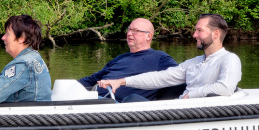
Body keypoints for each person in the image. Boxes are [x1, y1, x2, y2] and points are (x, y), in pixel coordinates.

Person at [98, 14, 241, 99]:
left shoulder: (229, 59)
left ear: (215, 34)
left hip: (199, 115)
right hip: (181, 112)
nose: (194, 35)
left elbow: (225, 88)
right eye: (195, 30)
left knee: (132, 100)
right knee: (133, 99)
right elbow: (159, 78)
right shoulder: (192, 63)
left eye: (199, 31)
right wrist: (122, 81)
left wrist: (190, 95)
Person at [78, 17, 180, 102]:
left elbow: (179, 76)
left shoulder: (160, 58)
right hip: (93, 99)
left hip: (121, 107)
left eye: (135, 31)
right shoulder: (120, 58)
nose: (129, 34)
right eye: (129, 30)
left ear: (149, 36)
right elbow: (91, 80)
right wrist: (66, 85)